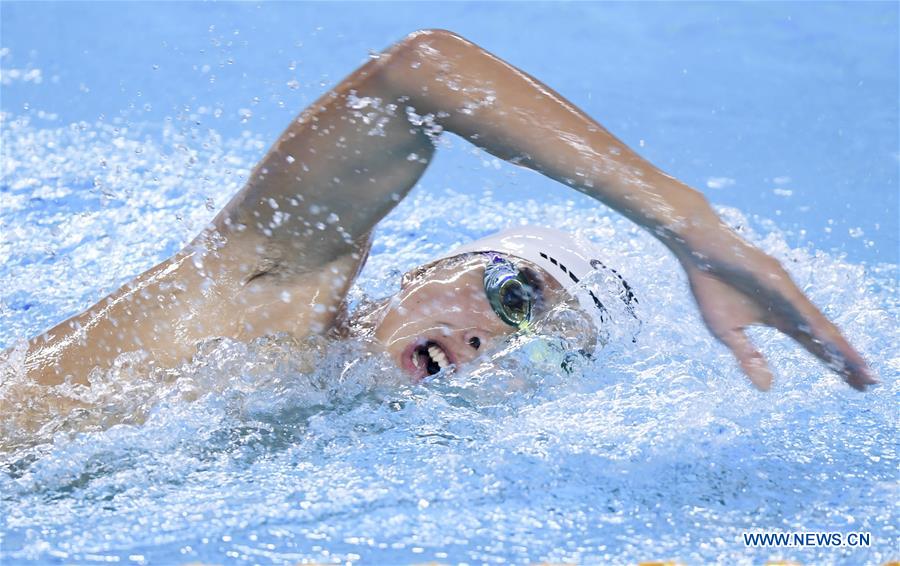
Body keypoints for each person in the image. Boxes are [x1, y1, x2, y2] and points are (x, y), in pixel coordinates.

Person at [11, 29, 876, 395]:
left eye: (547, 357)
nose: (489, 343)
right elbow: (418, 73)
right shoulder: (267, 290)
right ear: (429, 268)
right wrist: (690, 225)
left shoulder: (326, 434)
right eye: (515, 297)